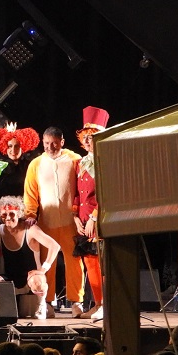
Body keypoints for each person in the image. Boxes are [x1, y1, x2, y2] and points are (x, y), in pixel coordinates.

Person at [23, 127, 83, 318]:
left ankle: (76, 302)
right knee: (47, 265)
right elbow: (30, 192)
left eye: (54, 143)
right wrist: (30, 214)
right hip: (46, 223)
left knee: (75, 263)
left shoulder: (75, 160)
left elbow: (83, 189)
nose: (50, 147)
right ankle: (47, 301)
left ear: (62, 142)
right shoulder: (36, 164)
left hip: (70, 223)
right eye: (46, 143)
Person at [0, 196, 60, 319]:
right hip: (10, 277)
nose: (8, 217)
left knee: (37, 281)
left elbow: (54, 246)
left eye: (11, 213)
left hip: (31, 277)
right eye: (4, 214)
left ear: (19, 213)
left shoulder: (31, 229)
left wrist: (43, 270)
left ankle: (42, 305)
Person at [73, 107, 108, 320]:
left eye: (92, 136)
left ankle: (105, 303)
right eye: (86, 136)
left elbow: (107, 193)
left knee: (101, 264)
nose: (88, 140)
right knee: (89, 263)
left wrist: (95, 217)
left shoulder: (105, 161)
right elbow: (77, 194)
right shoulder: (80, 163)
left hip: (99, 218)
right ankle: (97, 303)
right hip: (83, 219)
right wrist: (75, 216)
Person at [0, 122, 40, 198]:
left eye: (17, 146)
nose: (13, 150)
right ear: (5, 148)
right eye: (10, 146)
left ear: (23, 147)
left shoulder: (31, 166)